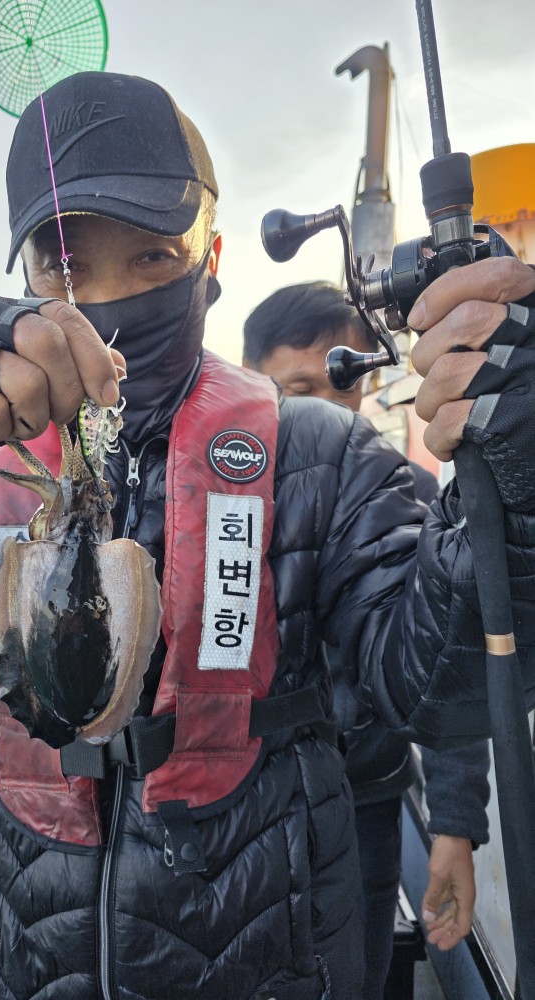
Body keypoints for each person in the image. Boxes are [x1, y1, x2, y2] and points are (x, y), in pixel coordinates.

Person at [0, 70, 535, 1000]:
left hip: (268, 955)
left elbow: (443, 694)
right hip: (15, 951)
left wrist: (519, 489)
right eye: (65, 263)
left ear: (210, 259)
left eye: (150, 257)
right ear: (26, 279)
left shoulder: (325, 453)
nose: (106, 297)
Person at [242, 281, 491, 999]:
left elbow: (448, 669)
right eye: (297, 389)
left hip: (369, 803)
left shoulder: (413, 497)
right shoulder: (211, 502)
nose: (325, 408)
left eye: (342, 384)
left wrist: (454, 827)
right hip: (244, 809)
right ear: (249, 380)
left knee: (360, 976)